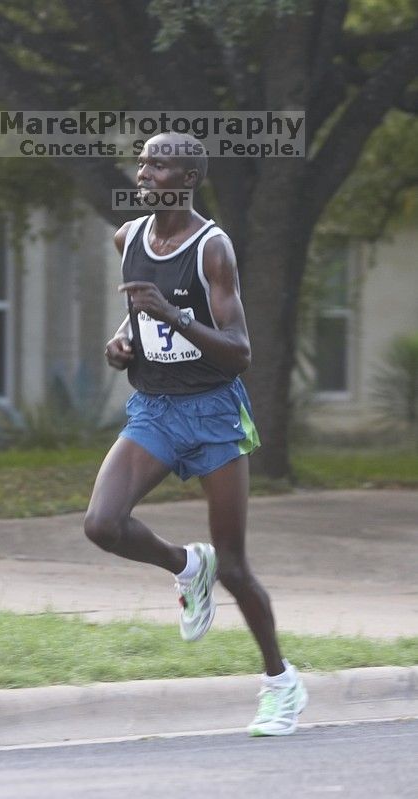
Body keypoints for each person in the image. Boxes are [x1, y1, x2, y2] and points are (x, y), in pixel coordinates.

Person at [84, 132, 307, 736]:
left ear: (187, 176)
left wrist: (171, 315)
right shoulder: (127, 237)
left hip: (213, 414)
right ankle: (186, 567)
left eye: (157, 164)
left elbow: (239, 352)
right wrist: (122, 341)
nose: (143, 171)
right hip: (155, 408)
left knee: (235, 568)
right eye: (142, 161)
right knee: (102, 524)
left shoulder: (214, 249)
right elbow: (138, 317)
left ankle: (281, 683)